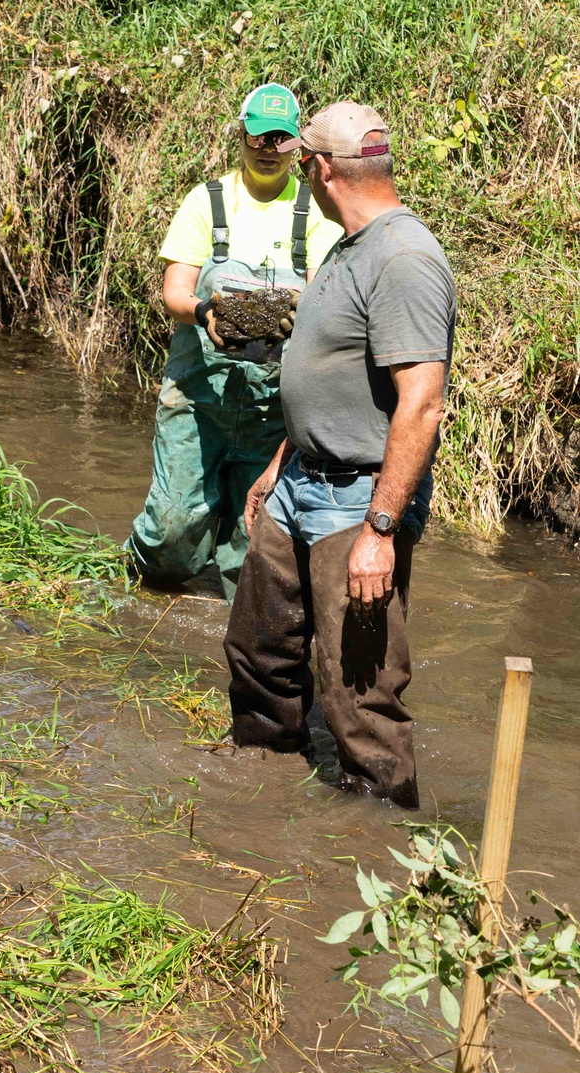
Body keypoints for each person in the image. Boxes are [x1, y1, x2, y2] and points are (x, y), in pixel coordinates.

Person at [223, 102, 455, 808]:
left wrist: (380, 531)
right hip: (299, 482)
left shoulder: (404, 260)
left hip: (357, 500)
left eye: (303, 164)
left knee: (360, 697)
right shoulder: (349, 247)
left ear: (322, 169)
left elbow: (422, 402)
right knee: (259, 652)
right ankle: (261, 803)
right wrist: (276, 465)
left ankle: (377, 845)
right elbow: (327, 371)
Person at [125, 83, 341, 602]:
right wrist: (207, 313)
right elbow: (174, 290)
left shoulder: (315, 210)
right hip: (198, 399)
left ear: (298, 146)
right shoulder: (207, 200)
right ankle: (142, 570)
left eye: (281, 140)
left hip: (272, 407)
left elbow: (320, 290)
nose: (267, 149)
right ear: (240, 134)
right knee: (172, 537)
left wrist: (293, 313)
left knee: (251, 558)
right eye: (257, 137)